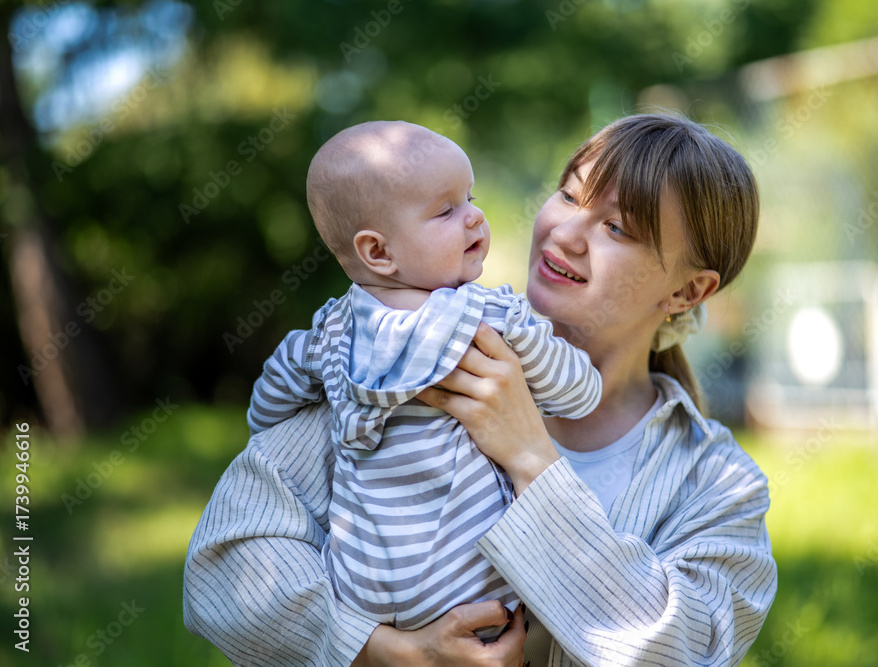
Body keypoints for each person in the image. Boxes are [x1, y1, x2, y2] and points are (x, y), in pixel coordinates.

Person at [184, 113, 777, 666]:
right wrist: (392, 653)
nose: (566, 232)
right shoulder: (405, 360)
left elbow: (678, 648)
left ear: (687, 292)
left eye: (617, 227)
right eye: (569, 195)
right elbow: (223, 572)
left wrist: (531, 457)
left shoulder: (719, 485)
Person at [242, 121, 602, 639]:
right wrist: (554, 362)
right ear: (378, 252)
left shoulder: (326, 336)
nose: (475, 216)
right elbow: (579, 393)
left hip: (362, 593)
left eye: (470, 198)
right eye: (446, 210)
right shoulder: (487, 319)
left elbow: (267, 411)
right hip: (472, 585)